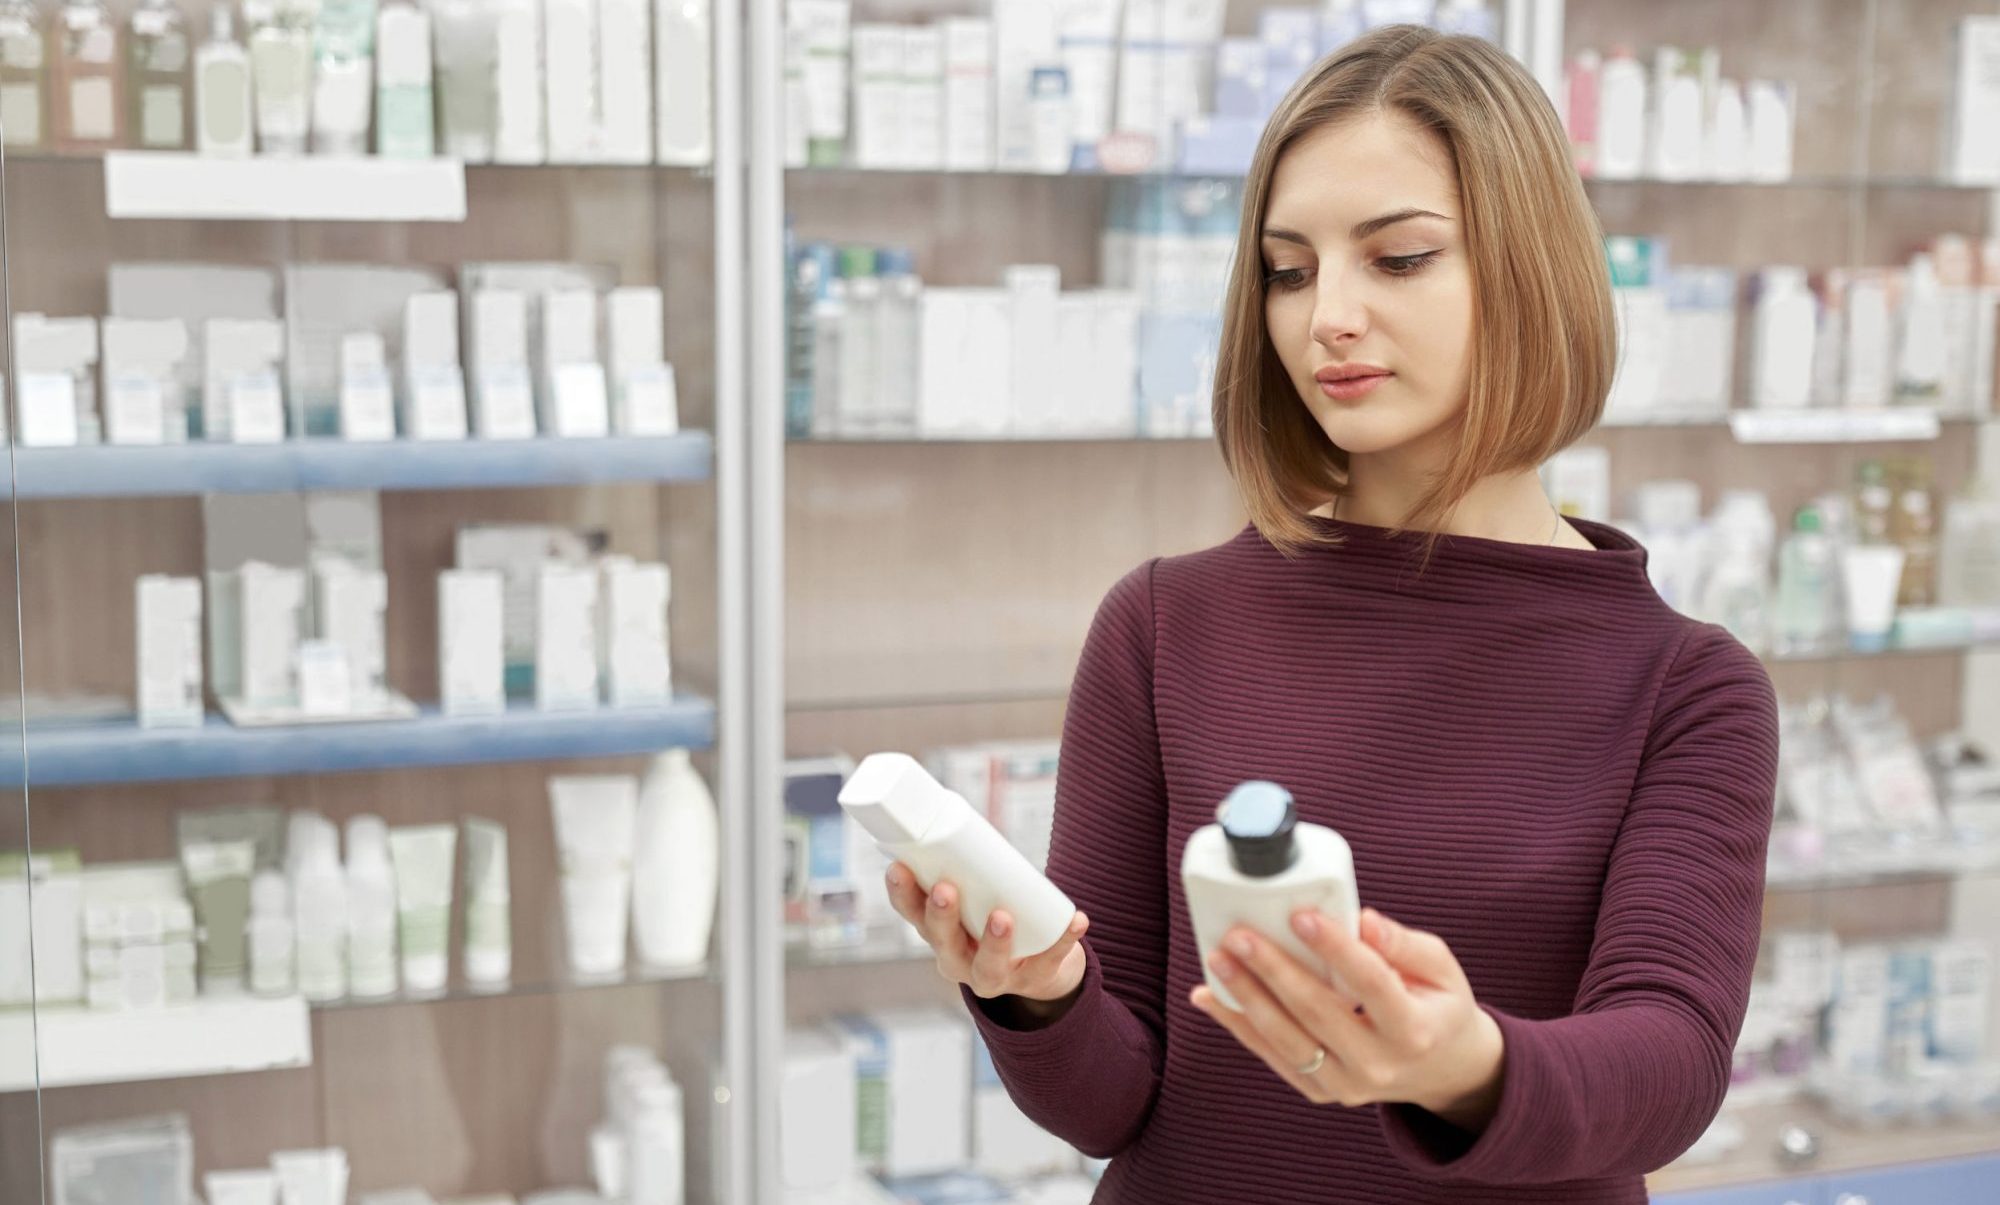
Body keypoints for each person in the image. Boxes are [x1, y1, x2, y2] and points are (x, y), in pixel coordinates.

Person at [882, 24, 1778, 1204]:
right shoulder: (1163, 624)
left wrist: (1465, 1064)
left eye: (1396, 258)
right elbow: (1106, 1102)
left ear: (1529, 265)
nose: (1326, 319)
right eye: (1289, 269)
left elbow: (1669, 1061)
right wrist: (1031, 990)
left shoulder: (1682, 686)